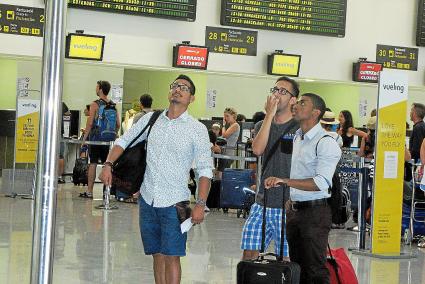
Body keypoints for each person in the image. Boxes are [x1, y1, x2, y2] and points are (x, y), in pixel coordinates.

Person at [99, 74, 213, 284]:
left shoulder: (196, 129)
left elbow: (205, 170)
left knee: (172, 256)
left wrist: (200, 204)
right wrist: (108, 164)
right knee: (157, 254)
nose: (178, 89)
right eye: (175, 86)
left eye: (185, 88)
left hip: (174, 202)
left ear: (192, 98)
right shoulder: (152, 119)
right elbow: (124, 140)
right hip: (148, 199)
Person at [265, 93, 341, 284]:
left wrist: (285, 181)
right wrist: (293, 197)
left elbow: (321, 183)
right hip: (296, 212)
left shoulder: (326, 142)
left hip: (315, 213)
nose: (296, 105)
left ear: (315, 112)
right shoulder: (298, 137)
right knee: (297, 268)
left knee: (315, 270)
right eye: (297, 102)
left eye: (302, 103)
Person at [241, 76, 300, 260]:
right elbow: (257, 149)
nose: (276, 94)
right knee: (249, 255)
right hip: (262, 202)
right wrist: (269, 115)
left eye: (282, 91)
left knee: (287, 259)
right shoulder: (262, 124)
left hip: (289, 205)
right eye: (274, 90)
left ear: (293, 100)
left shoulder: (300, 128)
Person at [80, 80, 120, 198]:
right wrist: (113, 135)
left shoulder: (95, 104)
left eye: (97, 87)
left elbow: (90, 124)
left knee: (92, 163)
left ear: (101, 89)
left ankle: (90, 192)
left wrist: (84, 139)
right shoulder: (113, 105)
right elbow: (117, 124)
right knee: (106, 164)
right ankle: (106, 192)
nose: (96, 89)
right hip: (108, 141)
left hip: (96, 139)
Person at [217, 107, 240, 173]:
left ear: (233, 116)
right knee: (220, 173)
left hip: (228, 154)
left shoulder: (235, 125)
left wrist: (223, 125)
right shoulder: (231, 126)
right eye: (224, 116)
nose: (226, 118)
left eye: (227, 116)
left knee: (222, 174)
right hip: (225, 153)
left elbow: (225, 135)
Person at [58, 102, 70, 184]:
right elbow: (68, 113)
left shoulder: (48, 102)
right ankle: (59, 177)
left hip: (48, 131)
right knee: (60, 156)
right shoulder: (61, 104)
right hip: (59, 133)